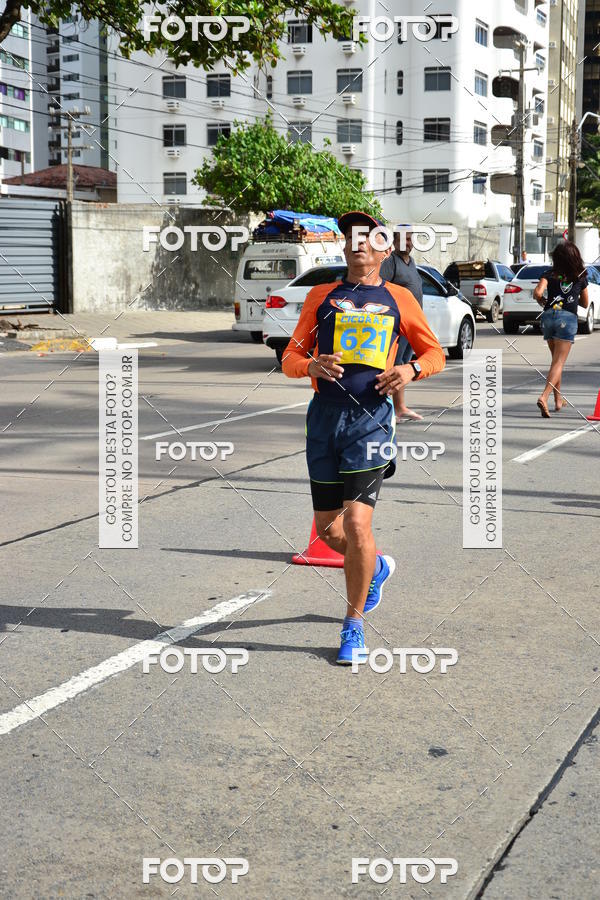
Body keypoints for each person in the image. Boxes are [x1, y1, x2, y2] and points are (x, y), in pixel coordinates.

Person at [282, 211, 445, 664]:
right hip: (323, 420)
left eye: (369, 239)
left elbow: (436, 353)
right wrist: (309, 366)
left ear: (384, 249)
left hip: (370, 421)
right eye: (351, 238)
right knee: (330, 531)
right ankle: (377, 568)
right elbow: (292, 355)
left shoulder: (399, 299)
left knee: (357, 526)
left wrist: (410, 369)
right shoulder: (321, 295)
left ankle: (352, 627)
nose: (358, 245)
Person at [533, 240, 589, 417]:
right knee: (558, 362)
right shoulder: (580, 276)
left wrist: (543, 301)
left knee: (555, 362)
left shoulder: (549, 274)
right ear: (575, 257)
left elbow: (538, 293)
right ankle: (544, 397)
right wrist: (572, 299)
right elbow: (585, 303)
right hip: (567, 319)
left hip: (548, 317)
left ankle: (558, 400)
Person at [379, 227, 424, 422]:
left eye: (410, 239)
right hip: (397, 322)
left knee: (404, 365)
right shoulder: (391, 262)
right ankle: (387, 409)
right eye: (403, 239)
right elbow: (382, 287)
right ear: (394, 242)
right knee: (393, 364)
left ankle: (400, 407)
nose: (408, 242)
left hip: (411, 322)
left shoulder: (411, 262)